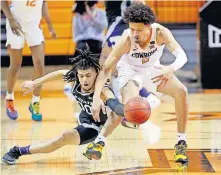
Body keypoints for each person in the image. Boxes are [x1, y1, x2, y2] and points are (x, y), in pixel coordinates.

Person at [87, 3, 189, 163]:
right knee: (127, 107)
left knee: (182, 92)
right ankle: (99, 142)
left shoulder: (161, 32)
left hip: (153, 69)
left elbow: (182, 55)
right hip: (130, 71)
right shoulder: (126, 39)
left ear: (149, 26)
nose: (134, 33)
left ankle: (181, 142)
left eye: (139, 30)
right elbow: (105, 69)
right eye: (132, 28)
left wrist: (171, 68)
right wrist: (95, 98)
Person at [1, 47, 127, 165]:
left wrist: (127, 111)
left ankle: (99, 142)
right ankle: (18, 151)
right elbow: (60, 73)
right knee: (61, 139)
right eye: (81, 76)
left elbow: (115, 105)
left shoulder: (103, 91)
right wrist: (35, 83)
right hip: (84, 118)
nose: (84, 80)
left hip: (98, 126)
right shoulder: (76, 80)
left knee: (64, 137)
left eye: (88, 75)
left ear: (96, 74)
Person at [1, 0, 56, 121]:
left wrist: (50, 24)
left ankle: (35, 102)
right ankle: (9, 98)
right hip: (15, 23)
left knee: (40, 65)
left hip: (34, 25)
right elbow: (3, 2)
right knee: (15, 65)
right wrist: (10, 19)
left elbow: (44, 2)